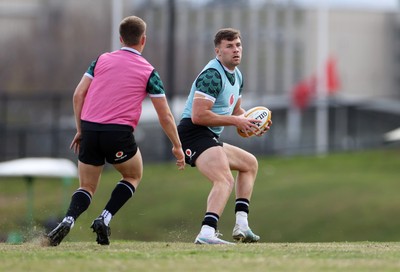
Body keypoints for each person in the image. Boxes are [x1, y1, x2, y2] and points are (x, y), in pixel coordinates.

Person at [46, 15, 185, 246]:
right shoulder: (149, 71)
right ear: (144, 40)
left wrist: (80, 129)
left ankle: (69, 219)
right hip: (118, 133)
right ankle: (105, 217)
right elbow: (165, 115)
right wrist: (178, 146)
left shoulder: (100, 60)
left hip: (90, 129)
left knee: (87, 187)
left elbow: (78, 94)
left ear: (121, 38)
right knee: (132, 175)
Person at [177, 28, 272, 245]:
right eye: (229, 46)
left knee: (249, 164)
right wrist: (237, 121)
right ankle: (207, 233)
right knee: (224, 180)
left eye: (238, 45)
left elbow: (237, 111)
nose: (236, 50)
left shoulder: (237, 76)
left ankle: (242, 225)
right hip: (192, 133)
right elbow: (199, 115)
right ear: (218, 51)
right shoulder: (212, 75)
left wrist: (253, 123)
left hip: (208, 135)